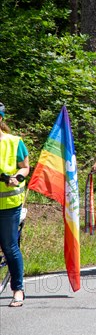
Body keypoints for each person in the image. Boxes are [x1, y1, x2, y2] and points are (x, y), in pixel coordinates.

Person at [0, 102, 30, 307]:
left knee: (10, 246)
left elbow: (25, 167)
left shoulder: (14, 142)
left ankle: (18, 289)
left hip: (8, 203)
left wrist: (17, 177)